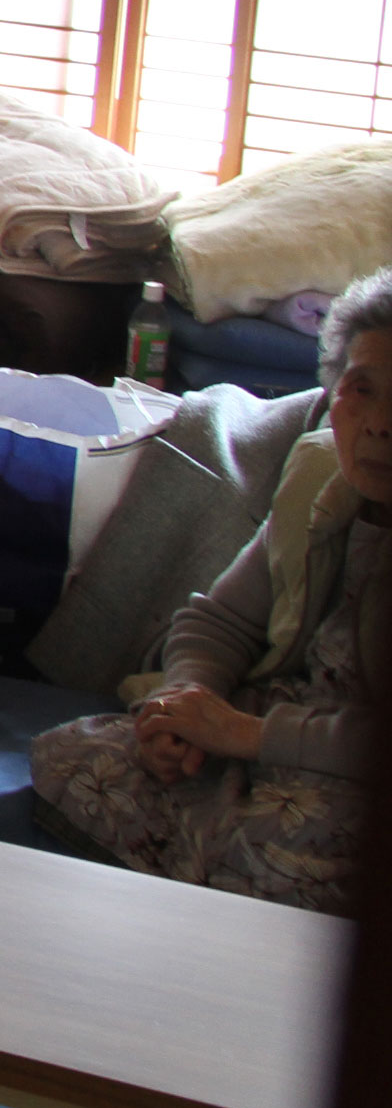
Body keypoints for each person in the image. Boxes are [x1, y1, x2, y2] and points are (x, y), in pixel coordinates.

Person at [30, 271, 389, 913]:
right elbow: (221, 620)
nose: (381, 426)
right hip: (274, 729)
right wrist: (186, 704)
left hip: (357, 767)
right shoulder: (320, 480)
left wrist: (241, 734)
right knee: (73, 757)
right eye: (363, 390)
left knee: (299, 857)